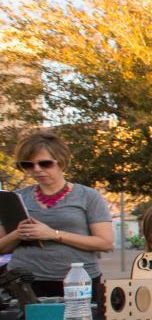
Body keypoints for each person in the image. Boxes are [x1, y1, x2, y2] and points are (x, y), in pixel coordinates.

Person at [0, 130, 114, 304]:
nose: (37, 170)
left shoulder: (88, 196)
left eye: (44, 163)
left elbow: (105, 243)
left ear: (61, 162)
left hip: (77, 281)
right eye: (28, 165)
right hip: (24, 282)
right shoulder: (16, 198)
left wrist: (53, 234)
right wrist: (18, 234)